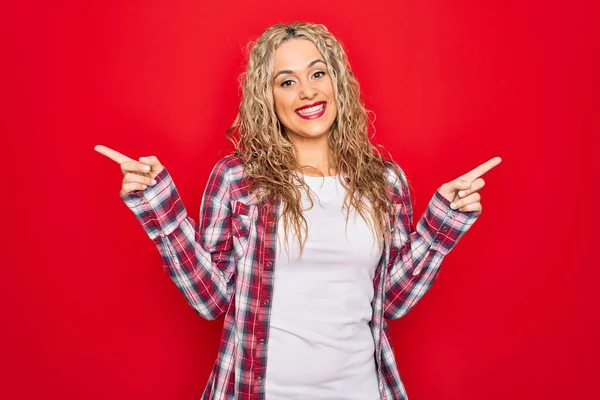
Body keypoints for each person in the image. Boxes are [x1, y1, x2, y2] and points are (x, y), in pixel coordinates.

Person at [95, 22, 501, 400]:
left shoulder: (385, 181)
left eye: (317, 74)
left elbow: (391, 301)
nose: (307, 91)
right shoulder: (239, 180)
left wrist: (442, 225)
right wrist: (161, 211)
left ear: (337, 83)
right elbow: (210, 300)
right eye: (287, 82)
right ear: (268, 99)